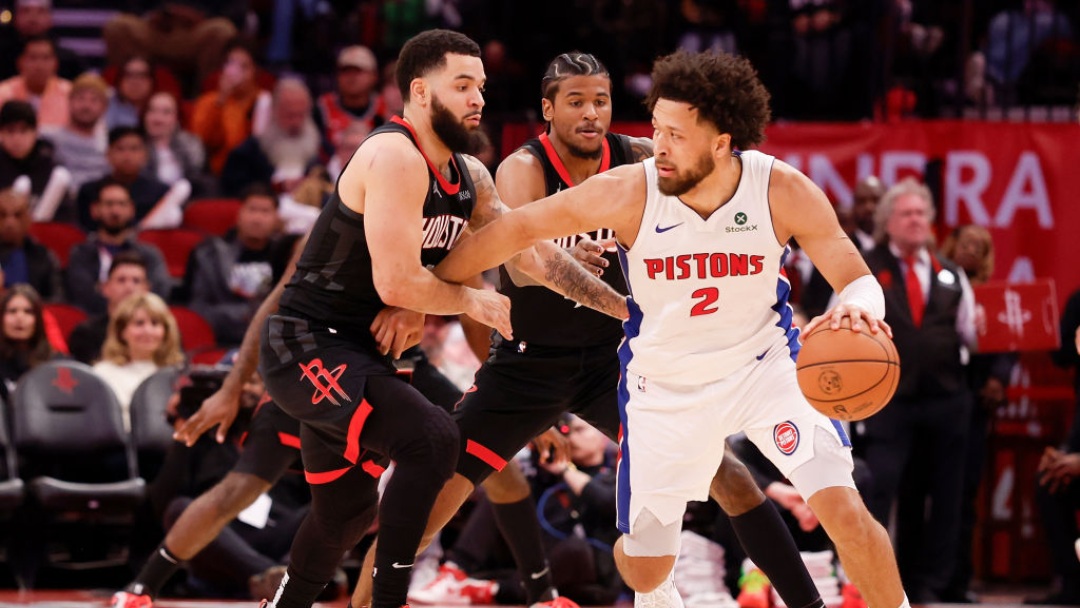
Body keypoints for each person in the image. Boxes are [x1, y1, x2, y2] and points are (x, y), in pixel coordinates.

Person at [356, 51, 837, 608]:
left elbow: (717, 184)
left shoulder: (639, 158)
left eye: (601, 101)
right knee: (432, 499)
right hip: (528, 366)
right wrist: (566, 252)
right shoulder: (524, 168)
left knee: (729, 477)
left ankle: (810, 604)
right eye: (575, 101)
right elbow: (514, 265)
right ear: (548, 109)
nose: (590, 113)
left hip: (615, 363)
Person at [255, 29, 626, 608]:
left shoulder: (470, 175)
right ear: (422, 93)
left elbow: (530, 249)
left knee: (345, 515)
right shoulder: (394, 155)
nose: (478, 98)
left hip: (364, 352)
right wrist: (470, 300)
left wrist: (623, 309)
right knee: (433, 440)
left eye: (480, 85)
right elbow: (396, 282)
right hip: (307, 344)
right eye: (462, 86)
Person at [860, 178, 977, 603]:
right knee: (882, 488)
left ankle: (930, 585)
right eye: (906, 213)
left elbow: (969, 335)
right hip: (888, 401)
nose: (916, 221)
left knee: (945, 496)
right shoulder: (864, 269)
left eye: (921, 214)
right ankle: (871, 582)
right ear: (887, 222)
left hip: (946, 400)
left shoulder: (952, 274)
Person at [65, 179, 172, 314]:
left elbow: (159, 294)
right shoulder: (81, 255)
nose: (115, 211)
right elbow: (83, 296)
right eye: (109, 204)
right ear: (95, 210)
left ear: (131, 209)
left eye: (121, 204)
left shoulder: (149, 255)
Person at [93, 291, 184, 430]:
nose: (148, 331)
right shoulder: (102, 373)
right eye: (139, 323)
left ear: (166, 331)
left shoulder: (179, 374)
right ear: (121, 331)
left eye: (155, 323)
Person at [68, 250, 150, 364]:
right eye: (121, 280)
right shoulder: (85, 334)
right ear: (105, 288)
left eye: (136, 281)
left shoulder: (160, 333)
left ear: (147, 289)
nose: (129, 287)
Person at [0, 99, 70, 221]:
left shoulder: (48, 162)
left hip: (43, 230)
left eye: (23, 131)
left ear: (35, 132)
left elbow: (66, 215)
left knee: (61, 176)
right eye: (10, 131)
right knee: (22, 184)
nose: (17, 139)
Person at [0, 187, 62, 299]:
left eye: (17, 215)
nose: (9, 223)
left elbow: (57, 299)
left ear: (28, 219)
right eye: (2, 215)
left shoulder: (43, 255)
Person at [0, 283, 55, 401]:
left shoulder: (56, 364)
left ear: (38, 320)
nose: (19, 318)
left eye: (28, 311)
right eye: (12, 311)